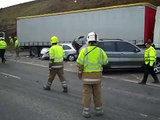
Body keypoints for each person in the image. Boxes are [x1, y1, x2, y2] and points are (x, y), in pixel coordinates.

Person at [76, 32, 108, 118]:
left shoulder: (84, 51)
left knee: (87, 94)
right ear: (96, 41)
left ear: (88, 41)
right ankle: (99, 111)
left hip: (86, 77)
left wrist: (79, 72)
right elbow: (105, 62)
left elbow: (79, 63)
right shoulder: (101, 51)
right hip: (97, 77)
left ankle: (86, 112)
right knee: (97, 94)